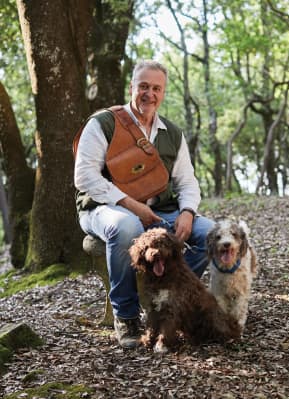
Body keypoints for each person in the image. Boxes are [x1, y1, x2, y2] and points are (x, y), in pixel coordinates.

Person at [74, 60, 215, 348]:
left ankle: (170, 299)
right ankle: (126, 317)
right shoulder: (103, 123)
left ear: (163, 93)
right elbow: (84, 176)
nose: (149, 93)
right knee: (126, 226)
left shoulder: (172, 134)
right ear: (131, 87)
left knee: (211, 234)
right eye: (143, 86)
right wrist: (130, 205)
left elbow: (187, 182)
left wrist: (187, 212)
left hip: (160, 210)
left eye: (156, 88)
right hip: (101, 209)